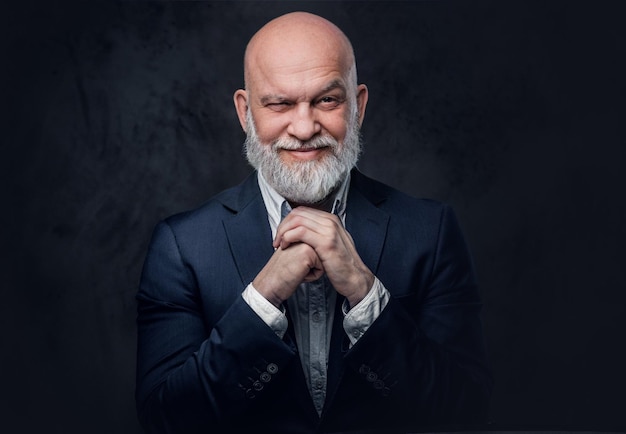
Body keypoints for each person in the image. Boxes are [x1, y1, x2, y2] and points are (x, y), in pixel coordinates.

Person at [136, 11, 492, 434]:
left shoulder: (430, 232)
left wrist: (364, 291)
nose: (304, 128)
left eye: (326, 100)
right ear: (245, 112)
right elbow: (165, 420)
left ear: (357, 106)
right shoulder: (182, 246)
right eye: (279, 103)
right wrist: (263, 297)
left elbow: (464, 414)